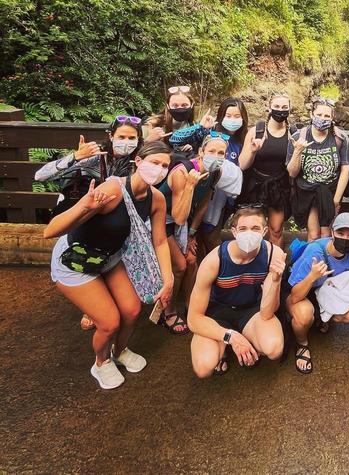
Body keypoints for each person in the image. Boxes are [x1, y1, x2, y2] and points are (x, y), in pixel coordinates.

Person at [43, 141, 174, 389]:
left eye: (165, 165)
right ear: (138, 162)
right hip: (75, 260)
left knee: (132, 309)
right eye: (155, 162)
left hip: (109, 257)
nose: (159, 169)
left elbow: (160, 241)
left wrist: (169, 280)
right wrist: (86, 206)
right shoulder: (113, 190)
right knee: (109, 322)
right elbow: (50, 231)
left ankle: (120, 350)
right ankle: (101, 362)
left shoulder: (156, 198)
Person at [35, 115, 144, 331]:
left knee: (111, 254)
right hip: (83, 218)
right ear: (111, 136)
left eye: (132, 138)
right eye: (122, 136)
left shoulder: (137, 163)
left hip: (113, 222)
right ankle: (91, 305)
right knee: (86, 253)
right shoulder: (94, 157)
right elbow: (40, 176)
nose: (127, 142)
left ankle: (102, 297)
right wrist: (75, 157)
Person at [187, 205, 286, 377]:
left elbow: (267, 312)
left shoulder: (273, 254)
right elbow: (194, 319)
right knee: (204, 367)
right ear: (234, 231)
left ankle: (248, 339)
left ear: (264, 231)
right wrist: (230, 337)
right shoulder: (214, 260)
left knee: (274, 348)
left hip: (251, 310)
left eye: (255, 228)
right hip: (217, 313)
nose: (249, 233)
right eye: (243, 229)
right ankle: (228, 343)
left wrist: (276, 281)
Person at [157, 134, 227, 334]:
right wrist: (189, 186)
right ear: (201, 152)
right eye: (211, 151)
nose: (216, 156)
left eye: (221, 153)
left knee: (191, 260)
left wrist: (192, 233)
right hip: (160, 218)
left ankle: (191, 305)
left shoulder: (215, 172)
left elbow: (204, 203)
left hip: (183, 221)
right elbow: (178, 216)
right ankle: (168, 310)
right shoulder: (183, 172)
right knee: (179, 266)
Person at [285, 213, 349, 374]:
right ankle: (302, 344)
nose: (346, 238)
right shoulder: (315, 252)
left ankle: (323, 317)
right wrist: (312, 276)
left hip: (325, 291)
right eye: (341, 233)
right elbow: (295, 296)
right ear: (332, 233)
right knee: (304, 315)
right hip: (301, 292)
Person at [169, 97, 248, 252]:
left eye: (237, 116)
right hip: (194, 192)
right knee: (198, 241)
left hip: (222, 197)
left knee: (209, 236)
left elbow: (242, 168)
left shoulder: (243, 140)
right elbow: (174, 139)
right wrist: (200, 127)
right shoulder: (209, 134)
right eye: (228, 115)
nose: (232, 120)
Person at [286, 98, 349, 241]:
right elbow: (291, 172)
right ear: (311, 114)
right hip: (307, 191)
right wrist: (298, 151)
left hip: (330, 190)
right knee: (314, 235)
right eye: (319, 115)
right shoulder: (298, 137)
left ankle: (326, 262)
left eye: (327, 116)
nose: (322, 119)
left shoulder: (340, 137)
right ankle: (313, 262)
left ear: (332, 117)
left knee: (327, 235)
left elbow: (345, 168)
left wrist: (336, 199)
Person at [238, 92, 294, 247]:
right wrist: (253, 150)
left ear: (289, 110)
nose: (280, 110)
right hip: (256, 185)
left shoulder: (292, 133)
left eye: (284, 107)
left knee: (276, 230)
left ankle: (276, 264)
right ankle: (256, 262)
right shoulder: (257, 131)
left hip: (279, 186)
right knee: (255, 228)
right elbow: (242, 164)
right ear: (269, 108)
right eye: (276, 106)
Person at [144, 85, 197, 158]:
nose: (180, 109)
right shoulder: (153, 124)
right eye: (175, 106)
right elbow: (136, 153)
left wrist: (186, 148)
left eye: (184, 105)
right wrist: (148, 141)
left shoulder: (193, 126)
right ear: (168, 106)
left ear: (192, 105)